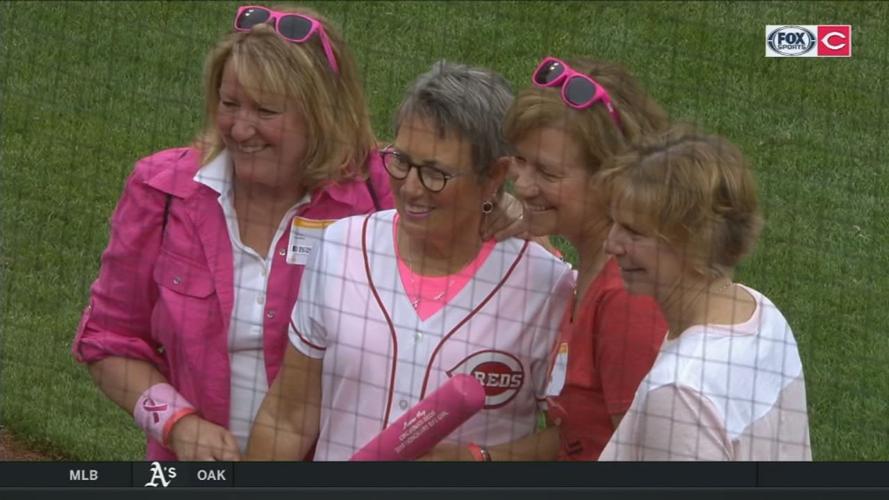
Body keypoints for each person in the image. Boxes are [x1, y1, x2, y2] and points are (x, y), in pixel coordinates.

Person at [71, 5, 396, 461]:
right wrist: (178, 424)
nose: (241, 129)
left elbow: (473, 191)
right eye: (229, 104)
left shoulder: (382, 192)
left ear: (322, 115)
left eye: (265, 111)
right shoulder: (161, 191)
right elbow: (107, 340)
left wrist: (496, 207)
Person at [246, 60, 574, 462]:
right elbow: (290, 417)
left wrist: (482, 461)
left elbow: (575, 439)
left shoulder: (546, 286)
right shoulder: (341, 247)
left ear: (493, 176)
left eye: (436, 173)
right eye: (401, 161)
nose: (411, 188)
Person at [598, 126, 812, 461]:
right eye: (613, 223)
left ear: (696, 244)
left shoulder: (680, 392)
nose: (611, 244)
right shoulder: (763, 312)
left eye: (633, 232)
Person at [502, 56, 670, 460]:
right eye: (520, 161)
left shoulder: (628, 301)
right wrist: (482, 459)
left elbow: (643, 459)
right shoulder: (591, 273)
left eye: (547, 172)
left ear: (610, 179)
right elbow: (582, 433)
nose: (522, 186)